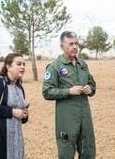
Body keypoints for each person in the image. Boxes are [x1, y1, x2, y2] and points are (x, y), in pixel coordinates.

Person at [42, 31, 96, 159]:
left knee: (88, 151)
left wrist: (91, 89)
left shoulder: (82, 64)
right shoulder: (54, 67)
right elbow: (46, 91)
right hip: (67, 120)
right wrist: (68, 91)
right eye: (71, 44)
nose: (75, 47)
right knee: (66, 153)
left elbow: (92, 85)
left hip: (85, 118)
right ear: (62, 46)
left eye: (76, 43)